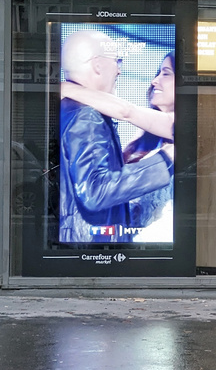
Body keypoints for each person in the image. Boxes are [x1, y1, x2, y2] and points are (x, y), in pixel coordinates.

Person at [59, 30, 174, 244]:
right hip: (97, 246)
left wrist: (67, 88)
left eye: (166, 73)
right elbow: (96, 191)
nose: (120, 70)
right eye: (117, 61)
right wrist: (165, 161)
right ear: (97, 65)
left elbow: (126, 110)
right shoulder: (86, 115)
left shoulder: (73, 108)